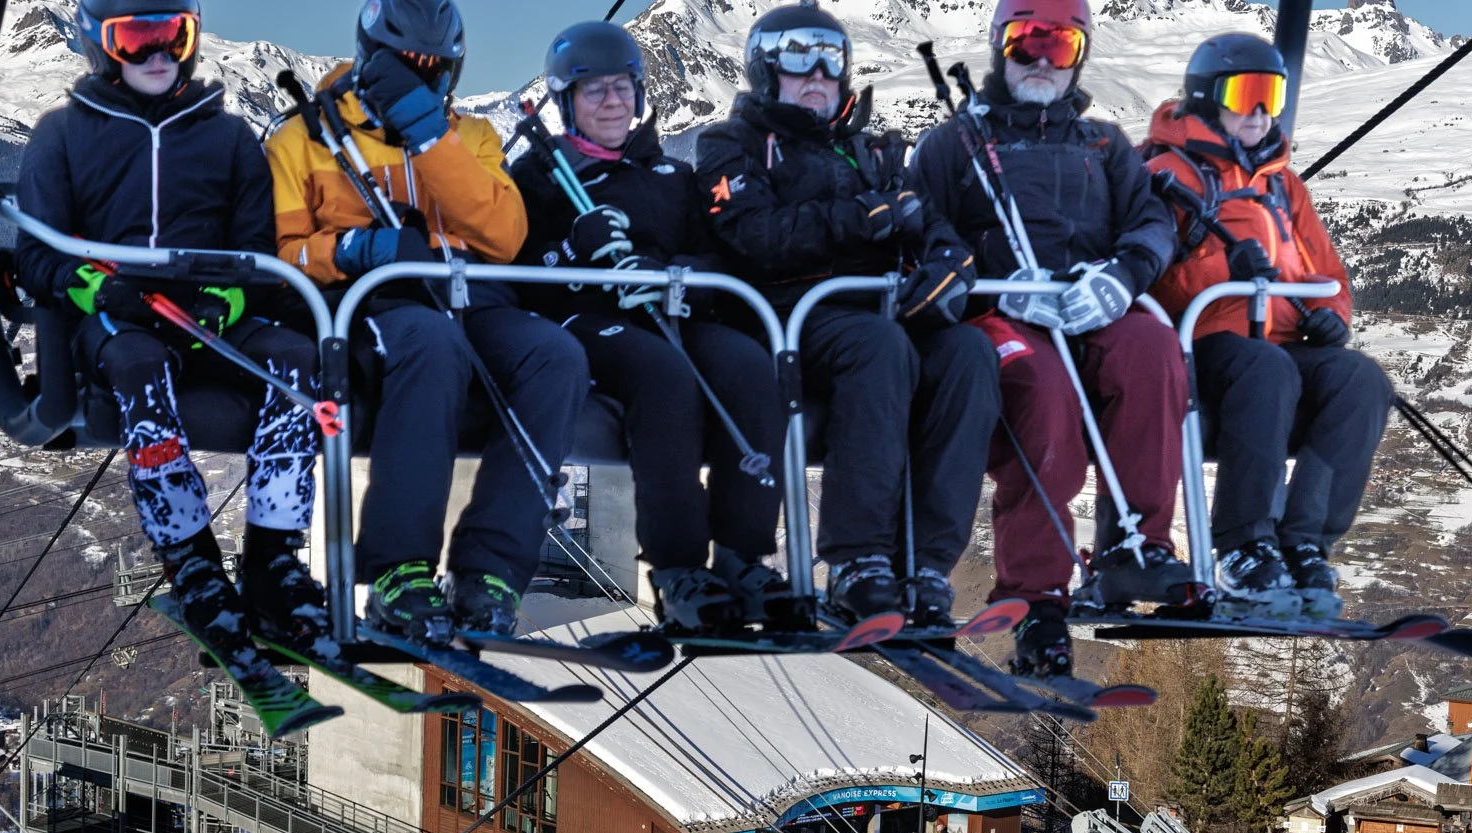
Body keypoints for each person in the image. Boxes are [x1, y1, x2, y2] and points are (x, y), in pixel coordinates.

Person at [16, 0, 336, 675]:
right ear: (100, 47)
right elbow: (37, 255)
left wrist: (226, 298)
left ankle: (274, 558)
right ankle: (192, 563)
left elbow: (257, 251)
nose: (156, 54)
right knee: (138, 364)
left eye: (173, 35)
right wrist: (97, 289)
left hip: (206, 311)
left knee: (297, 361)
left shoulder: (227, 139)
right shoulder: (64, 135)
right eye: (135, 39)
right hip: (118, 319)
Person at [266, 0, 586, 646]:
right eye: (406, 67)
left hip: (470, 295)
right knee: (434, 345)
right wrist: (356, 251)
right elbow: (276, 252)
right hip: (370, 305)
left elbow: (504, 236)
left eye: (433, 71)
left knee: (556, 357)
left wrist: (427, 135)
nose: (420, 80)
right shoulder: (302, 137)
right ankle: (398, 571)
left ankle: (490, 570)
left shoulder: (468, 138)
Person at [696, 1, 999, 625]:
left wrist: (948, 265)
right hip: (788, 315)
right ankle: (857, 560)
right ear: (764, 71)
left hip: (881, 314)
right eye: (796, 61)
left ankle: (927, 564)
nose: (815, 75)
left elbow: (930, 223)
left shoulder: (877, 151)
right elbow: (755, 234)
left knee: (969, 354)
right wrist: (861, 219)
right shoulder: (733, 145)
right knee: (878, 347)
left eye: (829, 62)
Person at [911, 0, 1190, 674]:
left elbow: (1152, 221)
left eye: (1059, 46)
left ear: (1080, 55)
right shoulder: (955, 143)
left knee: (1152, 350)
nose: (1040, 59)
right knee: (1044, 390)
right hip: (1004, 310)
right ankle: (1036, 596)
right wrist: (979, 276)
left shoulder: (1102, 145)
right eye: (1025, 42)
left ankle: (1134, 547)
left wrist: (1122, 276)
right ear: (999, 48)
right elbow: (921, 224)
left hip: (1088, 304)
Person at [510, 22, 787, 632]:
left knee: (747, 365)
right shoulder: (539, 178)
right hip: (588, 321)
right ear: (567, 103)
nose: (612, 102)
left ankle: (742, 557)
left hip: (668, 312)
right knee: (664, 377)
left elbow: (718, 256)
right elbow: (517, 267)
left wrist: (669, 275)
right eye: (594, 92)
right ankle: (678, 568)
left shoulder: (670, 176)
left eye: (622, 87)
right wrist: (576, 256)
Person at [1142, 33, 1390, 618]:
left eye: (1270, 95)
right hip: (1198, 347)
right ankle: (1244, 545)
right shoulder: (1168, 174)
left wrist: (1329, 318)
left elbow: (1327, 274)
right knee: (1267, 368)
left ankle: (1305, 542)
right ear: (1207, 97)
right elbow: (1148, 277)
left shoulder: (1282, 186)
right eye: (1246, 93)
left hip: (1277, 344)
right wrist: (1218, 262)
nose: (1259, 111)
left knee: (1360, 381)